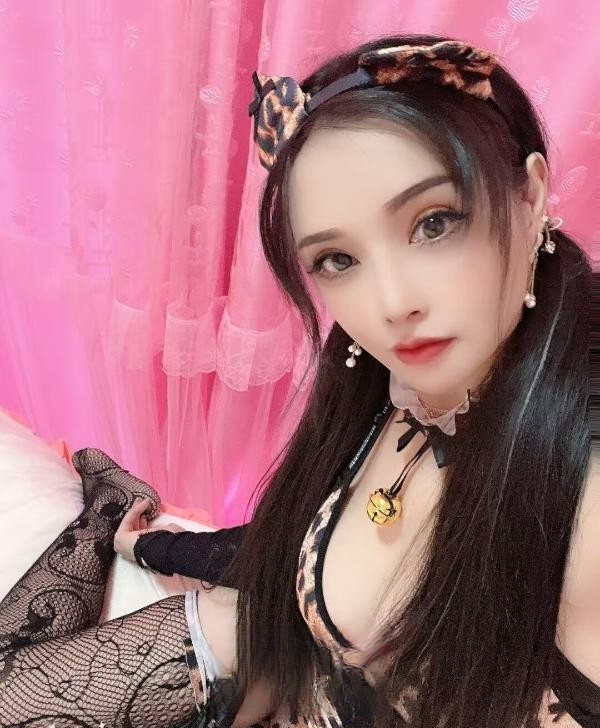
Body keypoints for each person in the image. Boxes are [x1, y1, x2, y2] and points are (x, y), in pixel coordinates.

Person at [0, 31, 596, 728]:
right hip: (277, 646)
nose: (392, 303)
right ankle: (111, 508)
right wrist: (150, 544)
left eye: (435, 223)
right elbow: (297, 532)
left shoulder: (575, 476)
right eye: (338, 260)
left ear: (530, 195)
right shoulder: (389, 378)